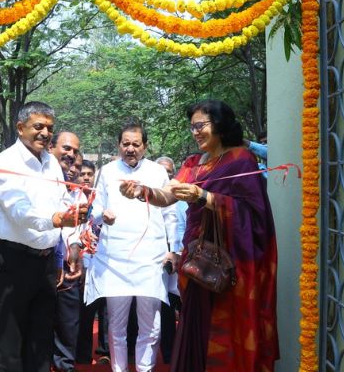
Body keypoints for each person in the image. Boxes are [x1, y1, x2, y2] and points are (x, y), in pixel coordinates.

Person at [120, 100, 279, 372]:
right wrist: (142, 192)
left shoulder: (241, 160)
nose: (195, 132)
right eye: (192, 127)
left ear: (219, 124)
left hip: (232, 267)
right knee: (198, 329)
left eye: (200, 126)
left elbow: (255, 216)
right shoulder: (193, 164)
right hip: (199, 264)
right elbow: (168, 194)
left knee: (226, 334)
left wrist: (205, 197)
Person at [0, 101, 88, 371]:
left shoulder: (51, 162)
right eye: (38, 126)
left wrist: (71, 219)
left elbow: (61, 201)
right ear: (20, 128)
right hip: (13, 260)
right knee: (11, 339)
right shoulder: (6, 162)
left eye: (49, 128)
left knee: (41, 339)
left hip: (45, 261)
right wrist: (56, 219)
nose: (45, 133)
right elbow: (18, 211)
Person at [85, 122, 178, 372]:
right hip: (115, 258)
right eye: (125, 143)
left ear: (145, 146)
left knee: (151, 324)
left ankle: (145, 368)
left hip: (151, 258)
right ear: (119, 145)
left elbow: (170, 214)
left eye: (136, 144)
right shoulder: (106, 171)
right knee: (117, 325)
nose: (130, 149)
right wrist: (102, 216)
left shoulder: (158, 172)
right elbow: (94, 210)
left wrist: (173, 249)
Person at [49, 133, 86, 372]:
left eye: (78, 166)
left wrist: (76, 248)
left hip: (69, 267)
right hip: (43, 262)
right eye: (68, 157)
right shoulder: (46, 185)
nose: (73, 168)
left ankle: (64, 366)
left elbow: (78, 231)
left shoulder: (80, 194)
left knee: (68, 321)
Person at [75, 160, 111, 366]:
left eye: (90, 174)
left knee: (105, 308)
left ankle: (105, 351)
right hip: (81, 259)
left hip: (104, 259)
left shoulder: (103, 197)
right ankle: (82, 354)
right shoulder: (73, 196)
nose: (86, 177)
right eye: (83, 174)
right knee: (85, 309)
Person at [153, 156, 185, 364]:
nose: (165, 176)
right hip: (158, 261)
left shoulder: (184, 196)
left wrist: (178, 251)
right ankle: (168, 355)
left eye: (169, 172)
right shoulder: (147, 197)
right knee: (164, 308)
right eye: (161, 172)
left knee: (186, 309)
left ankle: (185, 352)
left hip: (184, 259)